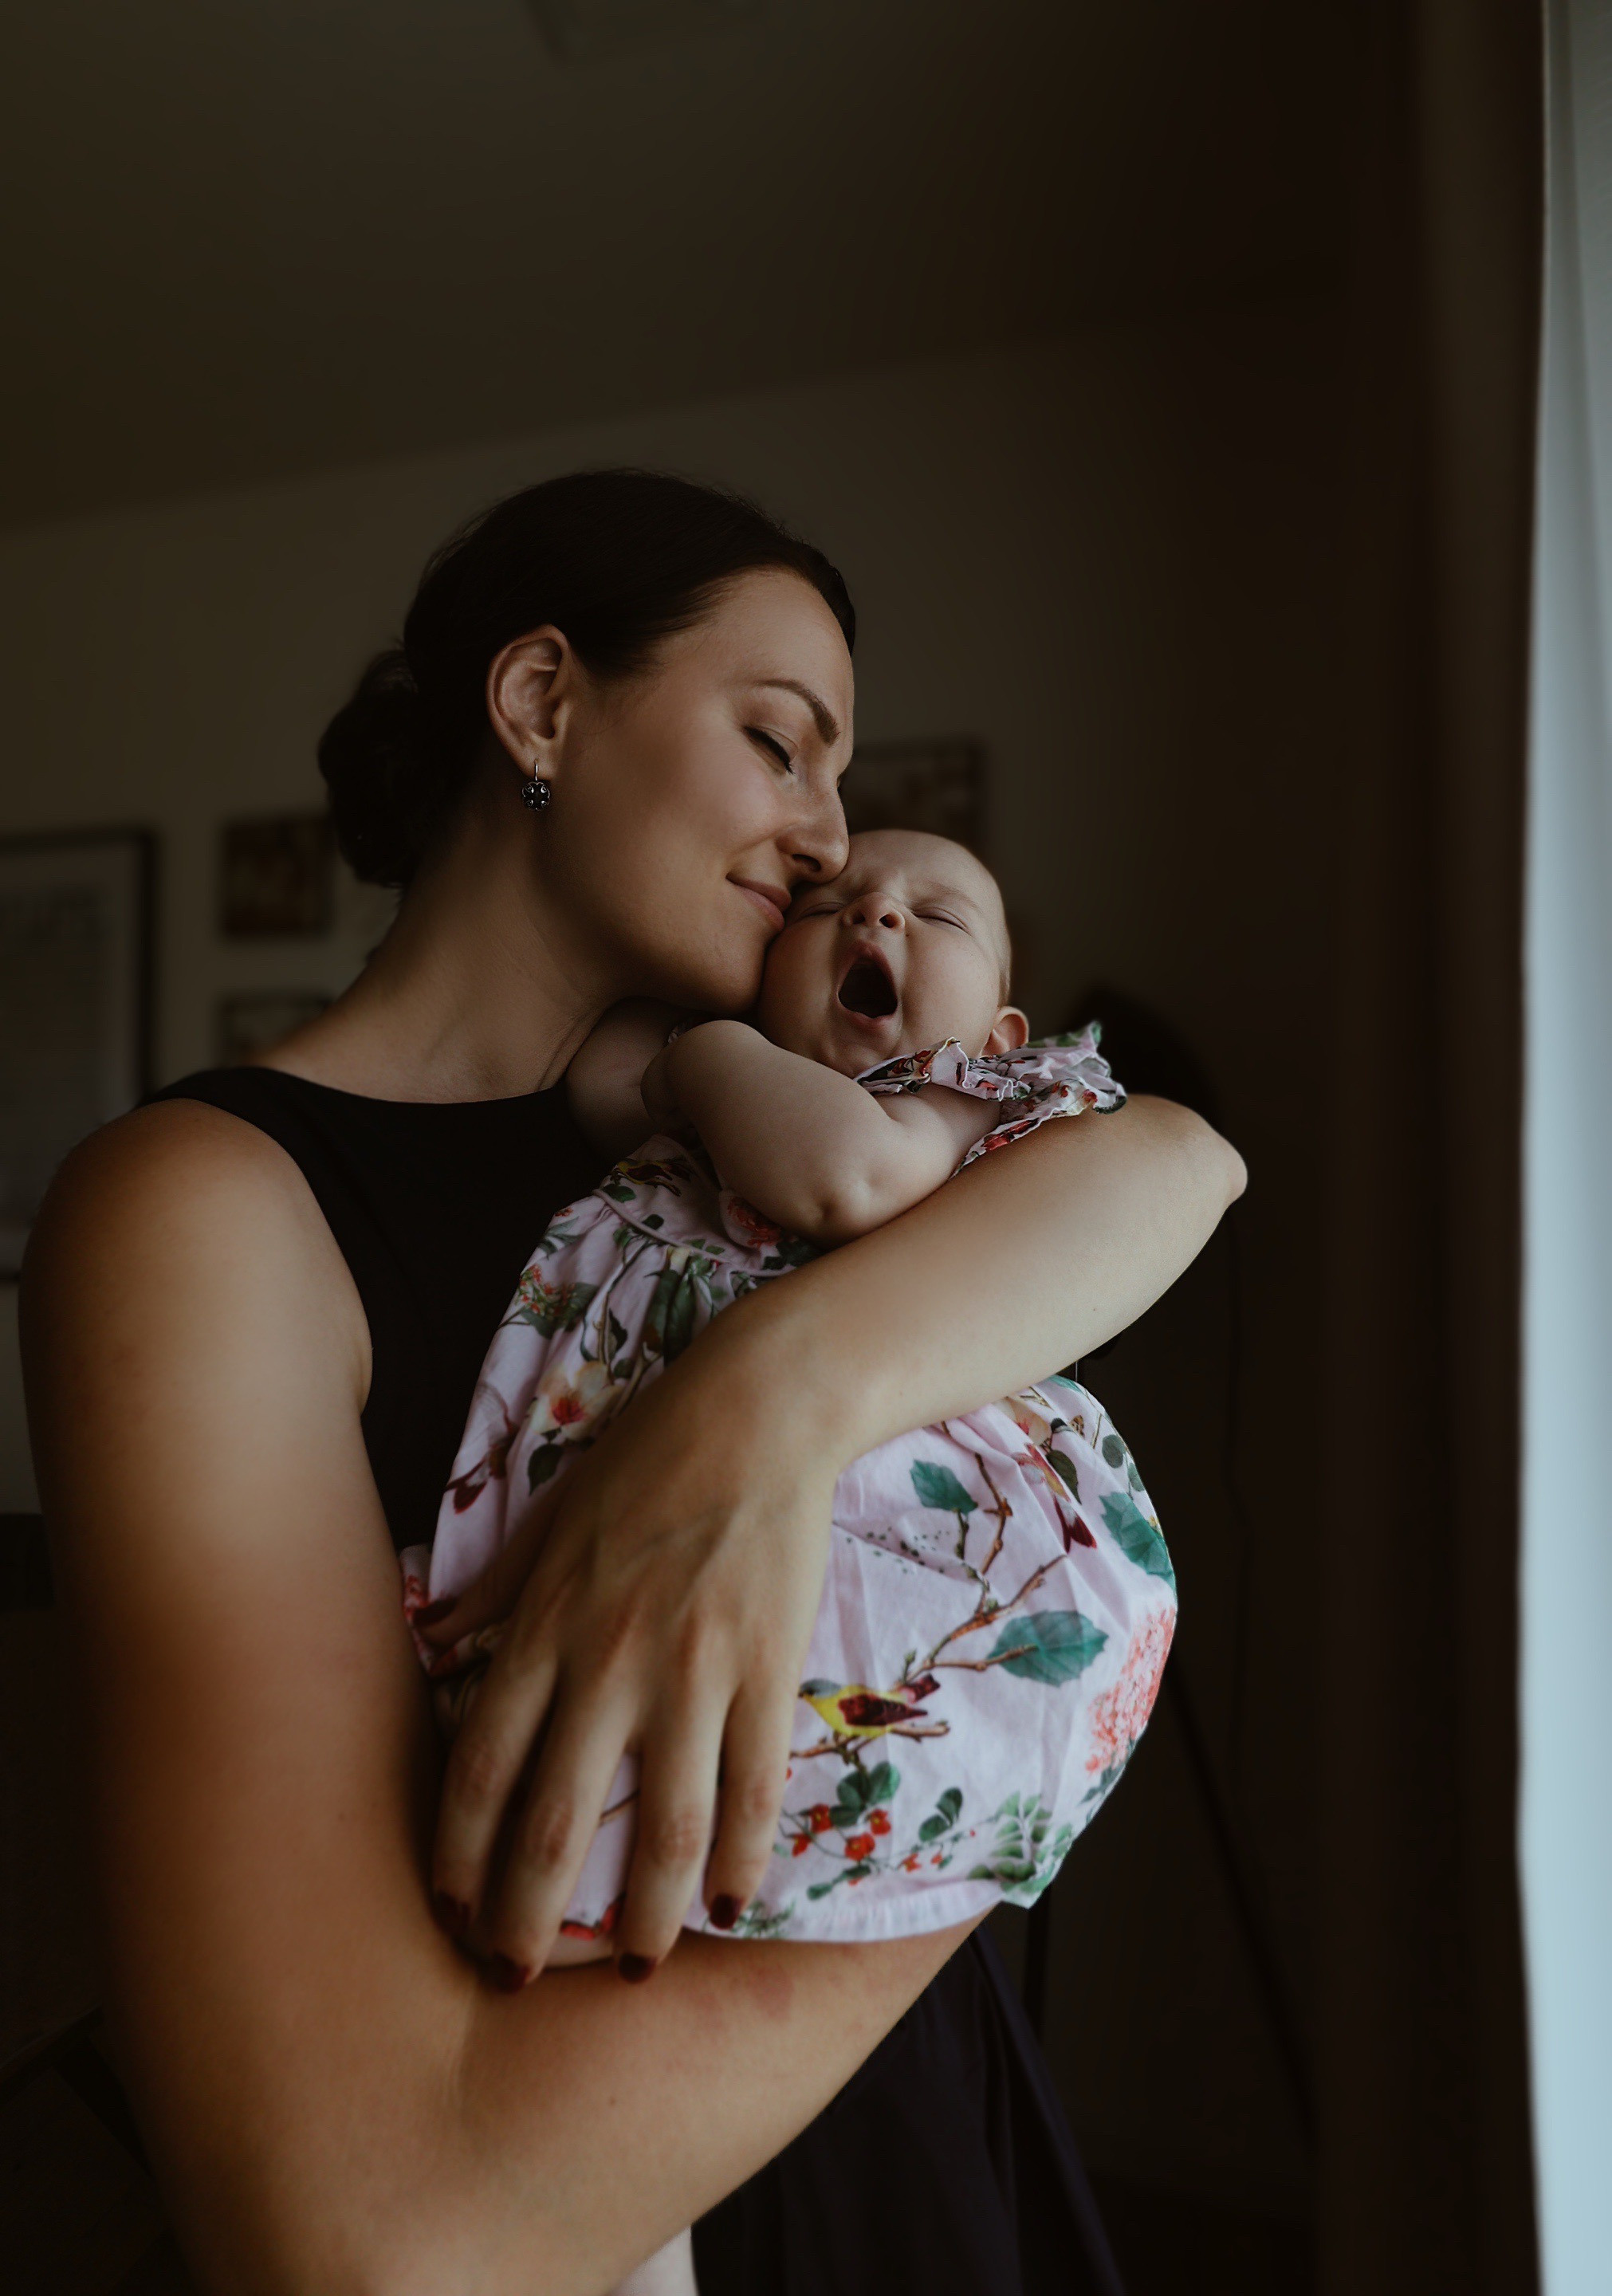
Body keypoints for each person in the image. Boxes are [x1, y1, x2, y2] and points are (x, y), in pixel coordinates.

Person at [21, 470, 1245, 2295]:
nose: (832, 837)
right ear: (540, 703)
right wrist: (1007, 1745)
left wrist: (759, 1412)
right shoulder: (210, 1212)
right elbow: (341, 2241)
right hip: (592, 2160)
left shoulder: (740, 1132)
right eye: (781, 742)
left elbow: (1175, 1163)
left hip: (924, 2128)